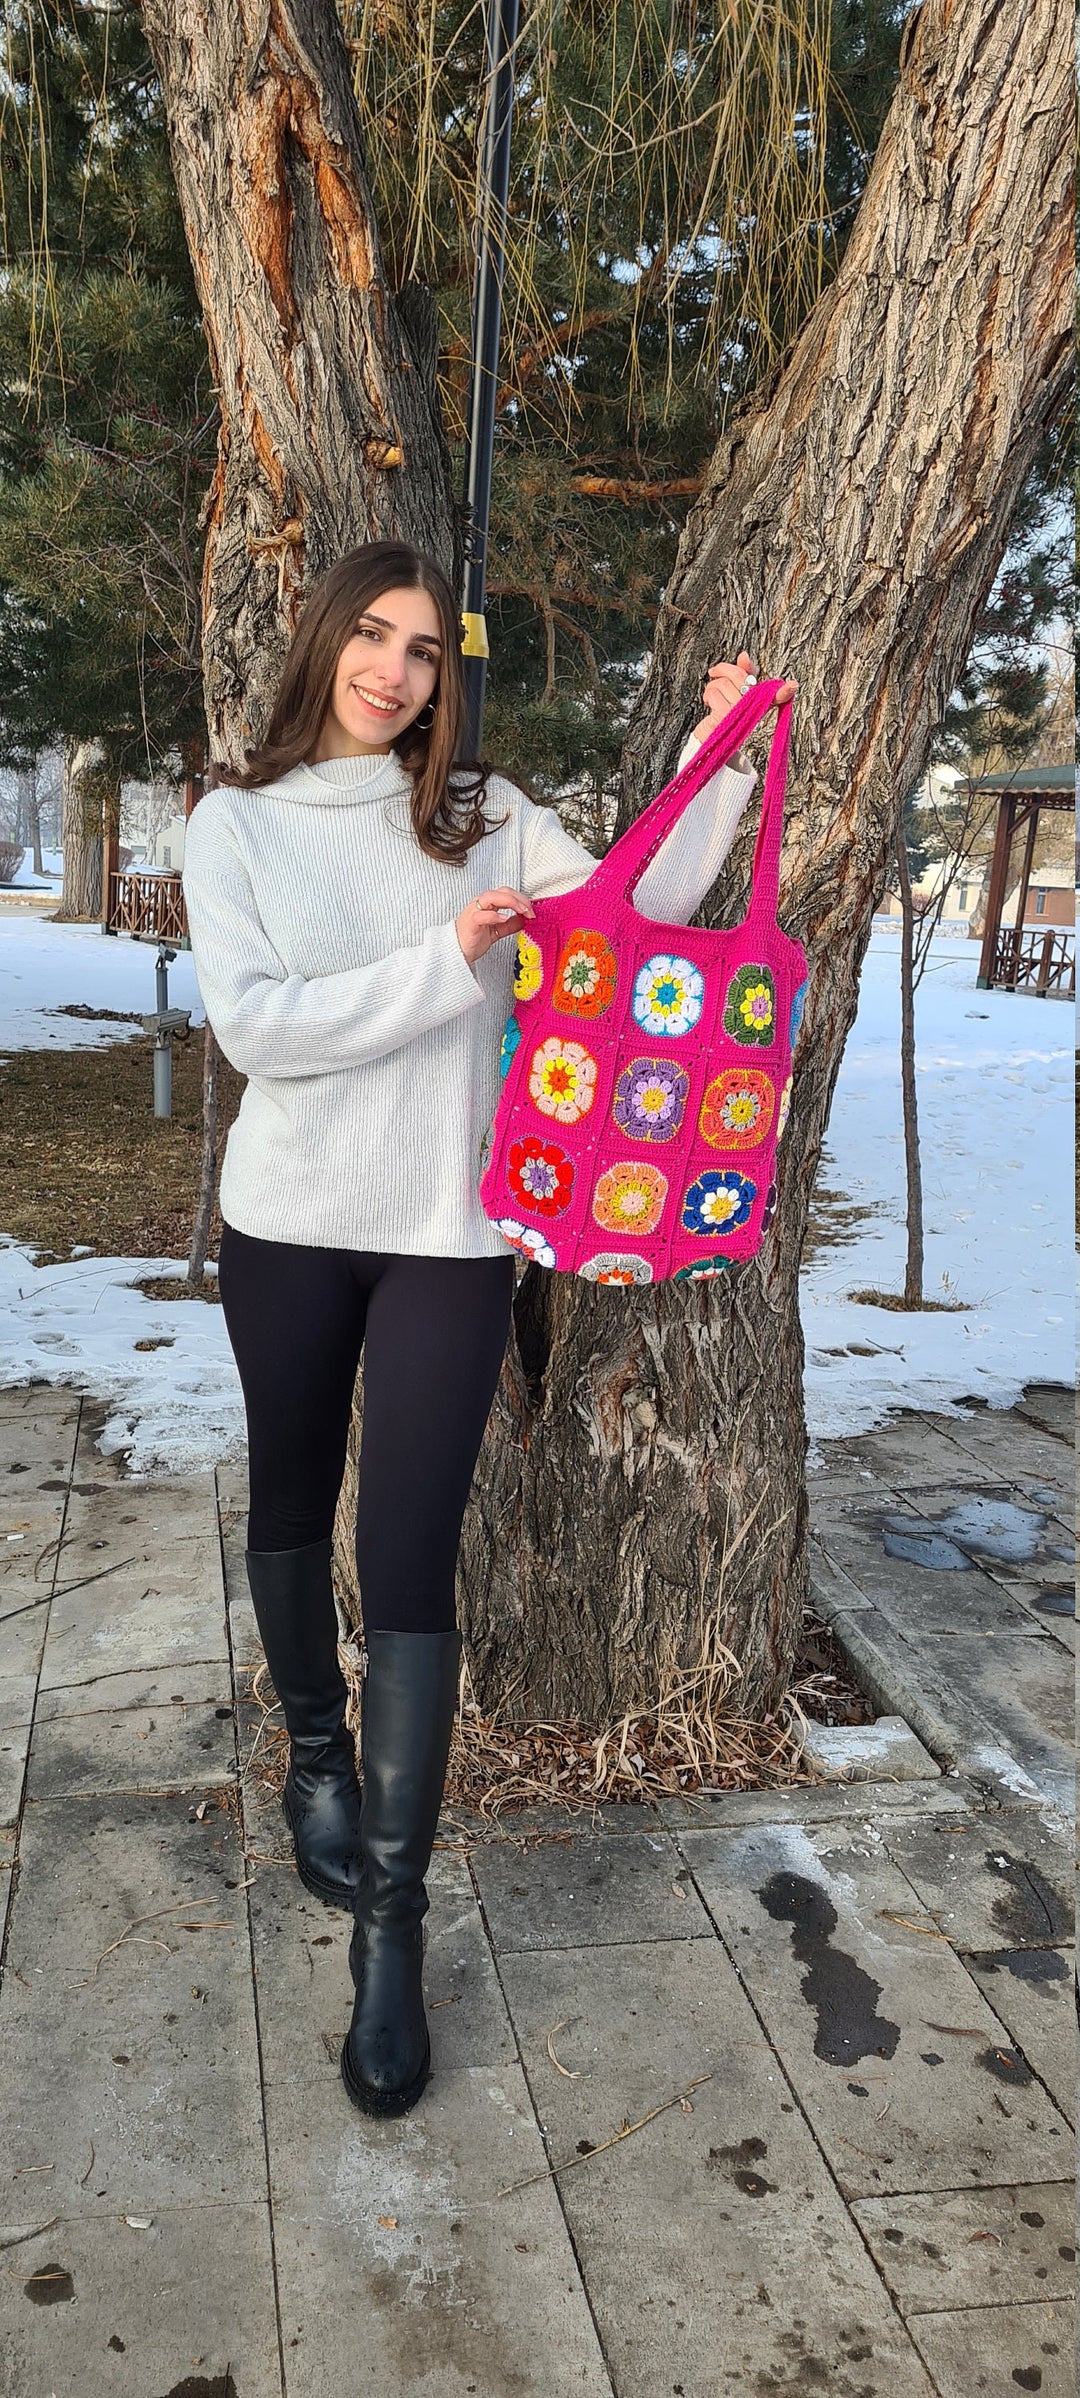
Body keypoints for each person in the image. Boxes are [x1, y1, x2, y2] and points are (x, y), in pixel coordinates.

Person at [182, 540, 797, 2120]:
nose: (394, 671)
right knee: (291, 1493)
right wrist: (451, 962)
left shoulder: (483, 815)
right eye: (370, 639)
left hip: (450, 1236)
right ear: (324, 644)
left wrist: (718, 761)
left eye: (422, 652)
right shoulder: (234, 822)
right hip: (292, 1226)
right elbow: (258, 1029)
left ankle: (393, 1922)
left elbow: (627, 902)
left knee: (408, 1555)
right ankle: (315, 1747)